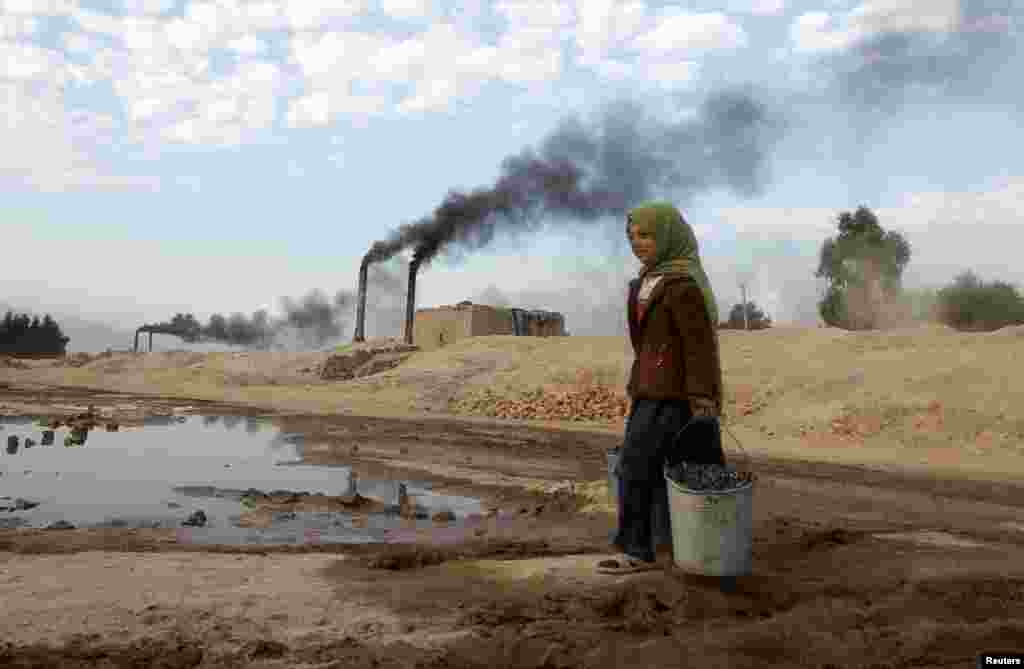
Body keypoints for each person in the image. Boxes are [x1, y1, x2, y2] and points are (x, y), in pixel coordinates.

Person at [597, 201, 725, 575]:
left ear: (668, 236)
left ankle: (639, 550)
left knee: (641, 466)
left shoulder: (683, 286)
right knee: (671, 469)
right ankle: (680, 547)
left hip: (677, 395)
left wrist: (703, 395)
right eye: (632, 236)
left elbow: (698, 346)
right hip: (650, 390)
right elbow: (645, 344)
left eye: (647, 235)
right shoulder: (644, 282)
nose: (637, 243)